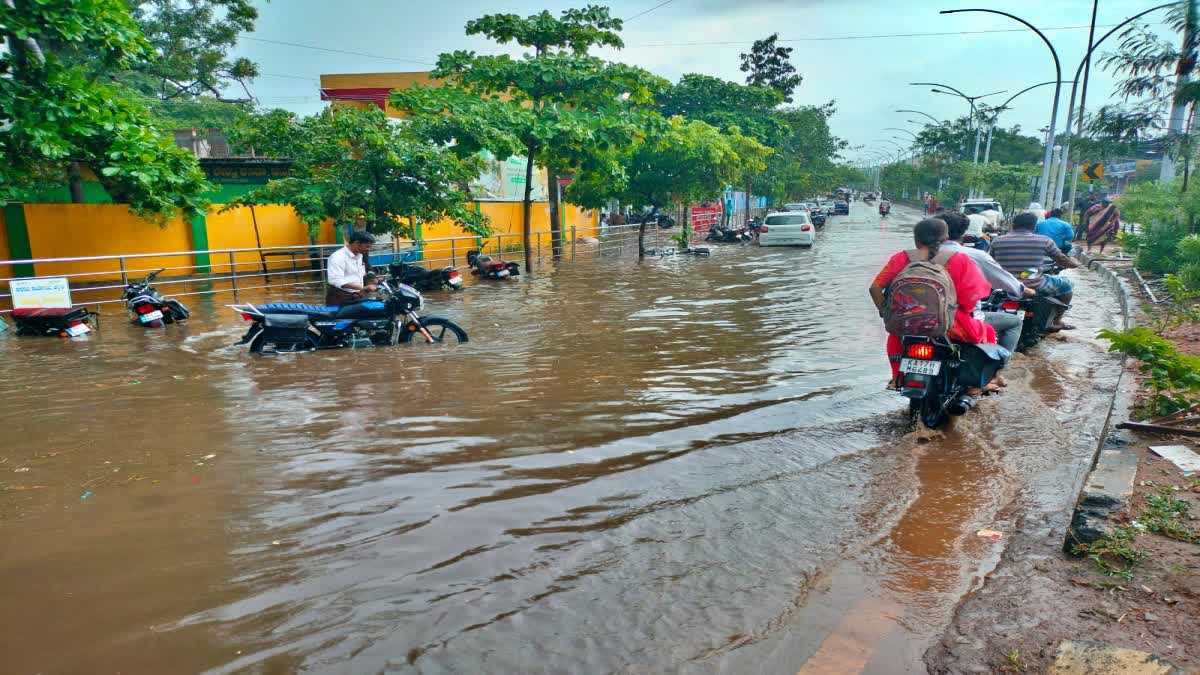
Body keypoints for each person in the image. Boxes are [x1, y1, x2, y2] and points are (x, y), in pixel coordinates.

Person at [869, 218, 1000, 393]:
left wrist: (886, 312)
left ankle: (896, 377)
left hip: (906, 323)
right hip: (950, 324)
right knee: (988, 332)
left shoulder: (901, 258)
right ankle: (976, 384)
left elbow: (875, 288)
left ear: (916, 240)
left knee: (895, 335)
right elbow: (972, 297)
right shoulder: (959, 259)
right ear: (945, 238)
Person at [941, 212, 1034, 355]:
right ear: (964, 232)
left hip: (919, 317)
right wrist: (1023, 289)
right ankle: (999, 368)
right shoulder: (974, 256)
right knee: (1014, 322)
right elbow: (1004, 280)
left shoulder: (918, 255)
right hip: (962, 318)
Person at [990, 212, 1079, 331]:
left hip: (1004, 284)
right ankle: (1057, 321)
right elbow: (1060, 258)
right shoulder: (1044, 240)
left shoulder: (997, 241)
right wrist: (1072, 264)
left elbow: (990, 262)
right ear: (1034, 227)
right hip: (1035, 284)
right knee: (1067, 286)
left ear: (1013, 225)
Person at [325, 230, 378, 305]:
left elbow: (358, 274)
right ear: (357, 243)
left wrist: (373, 278)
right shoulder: (338, 257)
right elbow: (335, 280)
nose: (368, 249)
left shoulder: (359, 255)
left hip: (357, 296)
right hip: (340, 297)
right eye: (367, 246)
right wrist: (362, 288)